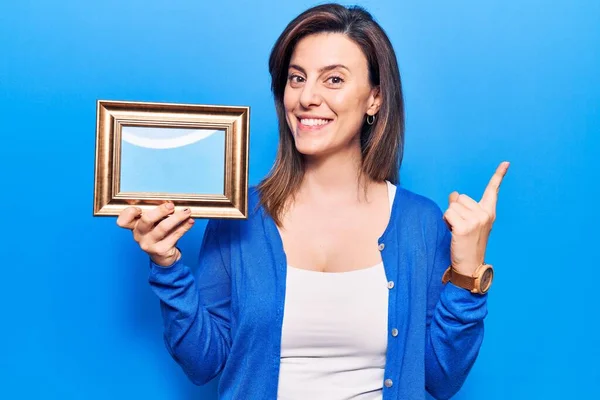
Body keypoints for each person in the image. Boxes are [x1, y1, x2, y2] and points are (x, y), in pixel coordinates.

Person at [117, 3, 509, 399]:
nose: (307, 97)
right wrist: (167, 265)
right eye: (296, 78)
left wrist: (467, 273)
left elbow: (441, 378)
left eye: (334, 80)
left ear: (375, 98)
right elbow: (204, 363)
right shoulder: (240, 217)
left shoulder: (419, 222)